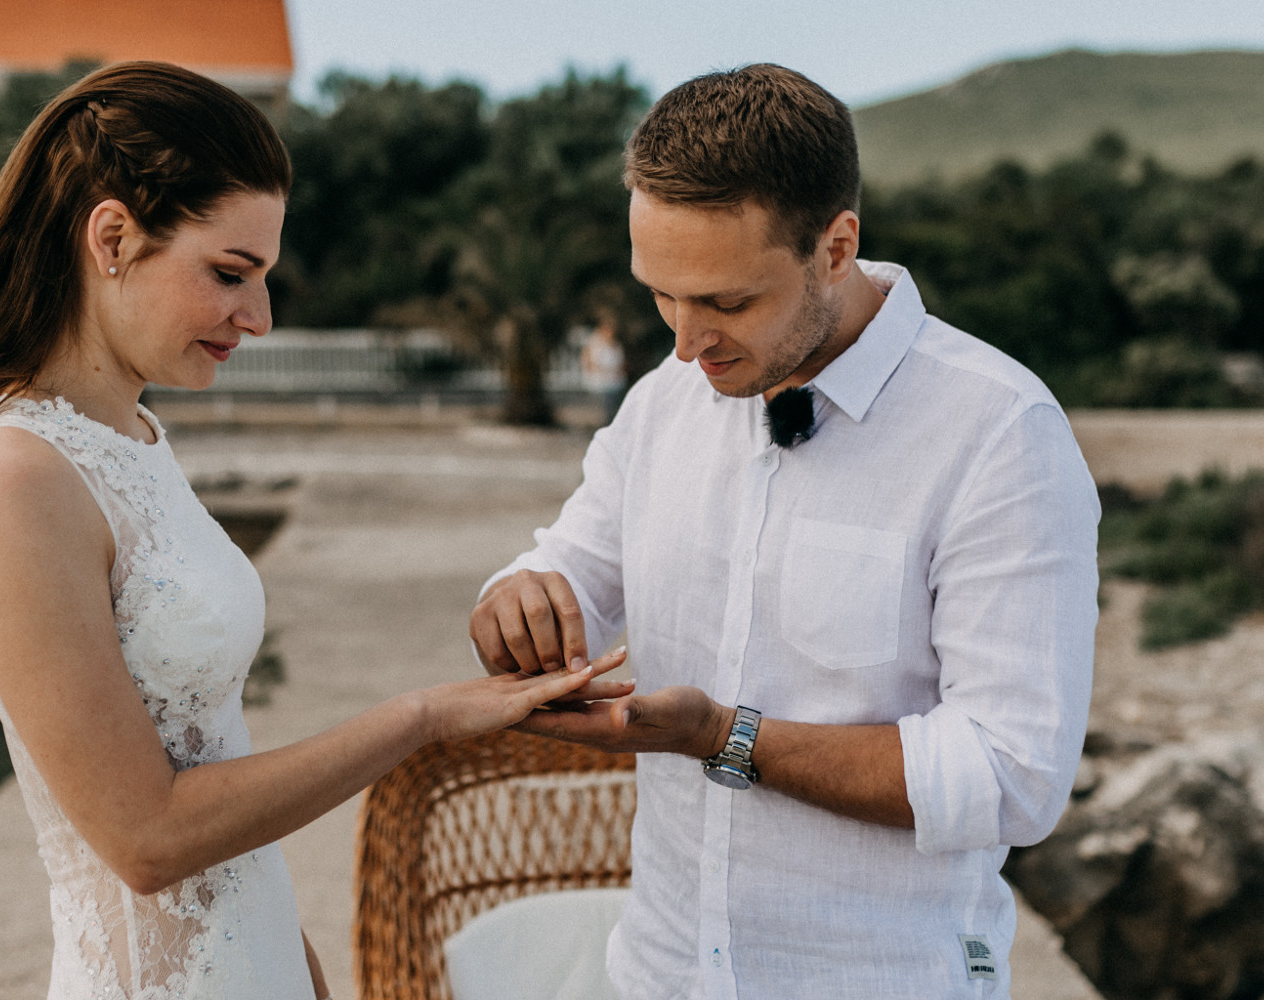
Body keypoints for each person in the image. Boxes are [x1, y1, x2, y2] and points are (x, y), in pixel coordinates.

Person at [0, 62, 627, 1000]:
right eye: (230, 274)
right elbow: (147, 837)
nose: (260, 316)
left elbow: (212, 756)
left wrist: (298, 964)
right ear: (112, 237)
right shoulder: (16, 476)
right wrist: (421, 717)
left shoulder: (132, 434)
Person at [469, 64, 1099, 999]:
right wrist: (517, 596)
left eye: (727, 303)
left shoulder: (999, 432)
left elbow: (1010, 775)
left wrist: (726, 737)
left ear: (836, 246)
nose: (686, 343)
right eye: (660, 295)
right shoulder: (661, 403)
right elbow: (570, 569)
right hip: (658, 973)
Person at [580, 314, 627, 424]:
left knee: (613, 409)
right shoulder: (594, 344)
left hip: (615, 382)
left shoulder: (616, 345)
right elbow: (589, 362)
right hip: (600, 383)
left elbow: (620, 363)